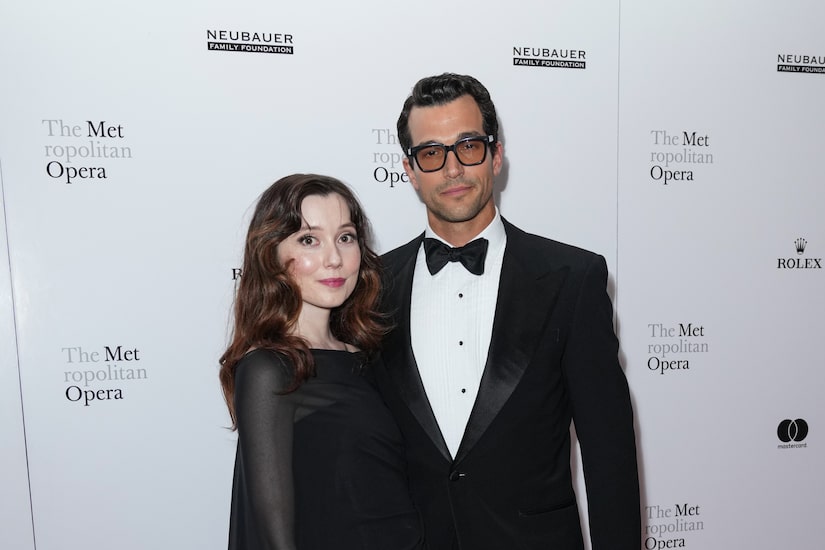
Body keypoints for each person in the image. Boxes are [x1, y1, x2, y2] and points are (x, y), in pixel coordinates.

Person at [372, 74, 641, 550]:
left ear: (496, 156)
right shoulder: (372, 288)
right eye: (431, 153)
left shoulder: (571, 279)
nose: (452, 169)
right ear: (410, 170)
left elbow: (609, 453)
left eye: (468, 146)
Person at [219, 174, 424, 550]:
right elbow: (273, 536)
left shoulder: (371, 357)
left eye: (345, 237)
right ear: (271, 254)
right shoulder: (269, 369)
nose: (334, 259)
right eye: (309, 240)